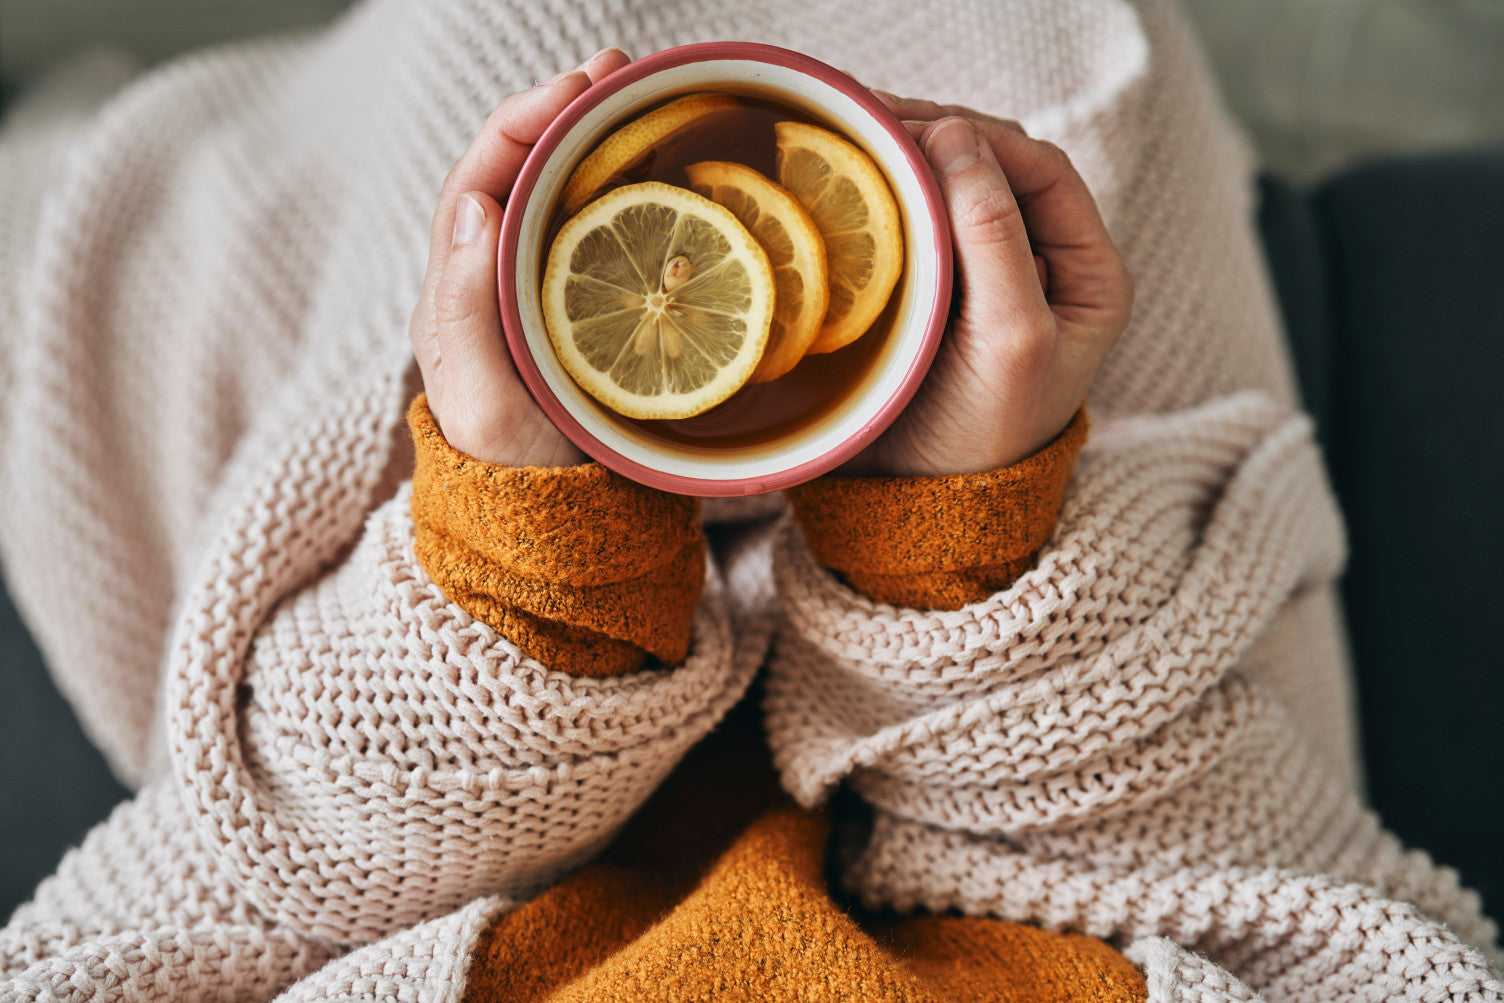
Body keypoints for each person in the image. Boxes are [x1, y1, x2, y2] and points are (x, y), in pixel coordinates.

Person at [0, 0, 1498, 999]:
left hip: (438, 729)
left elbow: (165, 912)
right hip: (1055, 689)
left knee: (502, 113)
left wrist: (534, 559)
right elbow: (1341, 933)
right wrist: (958, 534)